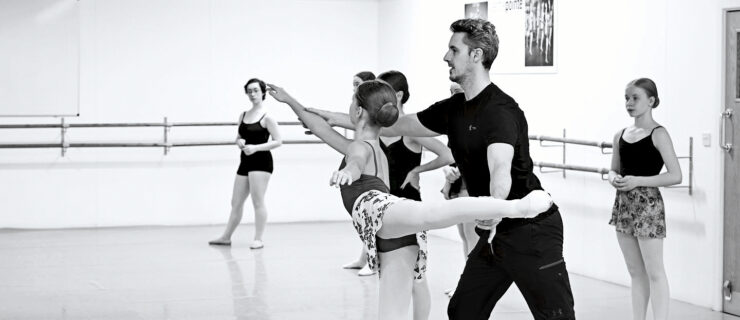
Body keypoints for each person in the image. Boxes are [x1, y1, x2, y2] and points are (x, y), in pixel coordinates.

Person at [267, 80, 553, 320]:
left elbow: (355, 159)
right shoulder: (368, 143)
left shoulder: (359, 147)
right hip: (389, 236)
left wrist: (348, 172)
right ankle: (513, 207)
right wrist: (290, 100)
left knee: (435, 214)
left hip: (380, 211)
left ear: (356, 110)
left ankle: (517, 206)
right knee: (391, 310)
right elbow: (319, 127)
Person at [371, 18, 576, 319]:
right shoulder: (454, 108)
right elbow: (395, 125)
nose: (446, 57)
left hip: (532, 231)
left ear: (476, 55)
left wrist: (492, 210)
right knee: (463, 311)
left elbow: (501, 170)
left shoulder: (501, 111)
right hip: (496, 233)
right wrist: (331, 117)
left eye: (453, 50)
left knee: (556, 316)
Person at [308, 70, 455, 319]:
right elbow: (342, 121)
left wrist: (417, 170)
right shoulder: (381, 129)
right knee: (395, 279)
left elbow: (447, 154)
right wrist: (305, 109)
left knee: (417, 278)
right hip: (383, 207)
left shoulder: (409, 130)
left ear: (396, 95)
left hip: (406, 205)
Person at [608, 78, 681, 320]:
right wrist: (614, 178)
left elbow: (675, 175)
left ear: (651, 101)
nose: (629, 103)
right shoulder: (620, 135)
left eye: (635, 98)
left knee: (655, 271)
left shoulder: (659, 134)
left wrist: (638, 180)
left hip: (648, 206)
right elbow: (614, 169)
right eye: (627, 98)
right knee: (635, 271)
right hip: (624, 205)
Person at [209, 78, 283, 249]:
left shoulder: (267, 117)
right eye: (249, 91)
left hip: (261, 162)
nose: (252, 94)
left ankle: (258, 238)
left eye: (256, 90)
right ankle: (226, 236)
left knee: (258, 201)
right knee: (235, 201)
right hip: (245, 161)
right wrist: (240, 142)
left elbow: (278, 141)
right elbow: (238, 137)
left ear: (263, 92)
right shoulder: (243, 115)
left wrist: (256, 148)